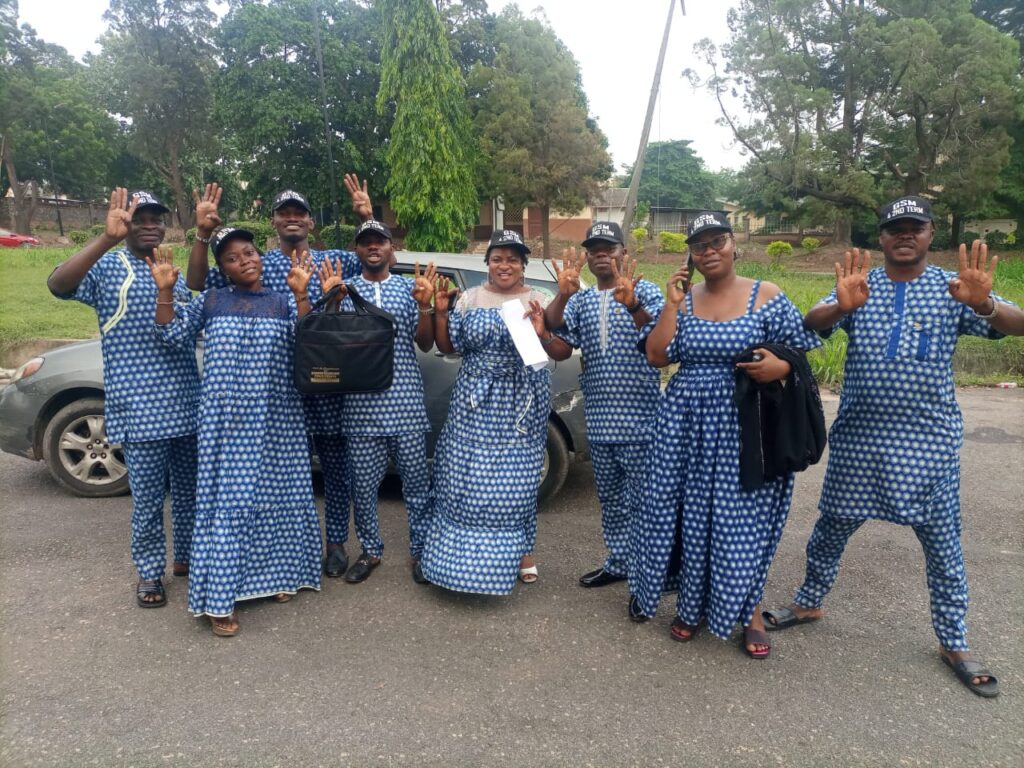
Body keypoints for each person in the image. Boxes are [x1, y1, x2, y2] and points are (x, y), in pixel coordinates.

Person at [762, 196, 1024, 696]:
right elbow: (809, 324)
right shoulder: (861, 285)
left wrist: (984, 303)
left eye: (915, 228)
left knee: (943, 546)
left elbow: (1017, 324)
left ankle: (954, 641)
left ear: (929, 235)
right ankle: (809, 601)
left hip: (930, 443)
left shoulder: (954, 288)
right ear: (880, 237)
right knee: (831, 528)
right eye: (894, 228)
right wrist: (839, 304)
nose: (905, 235)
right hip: (860, 438)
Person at [629, 211, 821, 659]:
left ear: (735, 245)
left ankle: (750, 612)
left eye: (718, 242)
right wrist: (672, 305)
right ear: (691, 255)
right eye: (700, 246)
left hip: (746, 423)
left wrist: (783, 366)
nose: (709, 251)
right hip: (683, 423)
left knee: (741, 521)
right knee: (690, 516)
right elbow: (657, 357)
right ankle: (692, 607)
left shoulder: (766, 296)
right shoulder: (684, 298)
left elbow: (801, 352)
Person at [185, 177, 373, 580]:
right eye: (284, 213)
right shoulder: (254, 260)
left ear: (310, 221)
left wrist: (367, 216)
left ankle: (335, 543)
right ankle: (272, 559)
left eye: (299, 212)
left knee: (336, 465)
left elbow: (377, 258)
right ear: (273, 221)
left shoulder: (332, 259)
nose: (292, 219)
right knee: (276, 476)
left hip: (323, 380)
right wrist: (202, 235)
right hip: (271, 389)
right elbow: (199, 283)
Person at [151, 227, 329, 636]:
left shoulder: (283, 301)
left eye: (249, 252)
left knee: (279, 498)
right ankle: (220, 597)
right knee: (228, 507)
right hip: (226, 422)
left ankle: (278, 576)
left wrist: (302, 295)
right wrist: (164, 291)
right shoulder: (211, 301)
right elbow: (171, 334)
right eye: (232, 258)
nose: (245, 260)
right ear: (223, 270)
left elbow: (311, 342)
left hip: (278, 417)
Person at [47, 188, 199, 609]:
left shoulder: (172, 270)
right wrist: (105, 240)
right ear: (126, 223)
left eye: (156, 218)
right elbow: (58, 285)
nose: (150, 225)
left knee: (189, 493)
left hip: (187, 405)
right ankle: (150, 572)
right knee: (148, 499)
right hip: (140, 409)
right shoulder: (108, 268)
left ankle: (185, 559)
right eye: (141, 218)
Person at [419, 230, 573, 595]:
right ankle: (450, 558)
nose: (505, 265)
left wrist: (562, 299)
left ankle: (519, 553)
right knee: (461, 479)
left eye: (513, 259)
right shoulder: (469, 299)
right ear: (487, 263)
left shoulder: (540, 298)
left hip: (521, 400)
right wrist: (440, 312)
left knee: (516, 484)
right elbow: (447, 345)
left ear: (523, 265)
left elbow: (557, 342)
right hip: (473, 401)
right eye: (498, 258)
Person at [544, 222, 664, 587]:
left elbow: (663, 343)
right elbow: (560, 338)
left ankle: (648, 574)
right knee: (611, 501)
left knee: (645, 503)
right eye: (593, 250)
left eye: (608, 248)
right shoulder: (580, 300)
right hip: (598, 421)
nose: (600, 255)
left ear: (623, 254)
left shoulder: (647, 290)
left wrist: (634, 306)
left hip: (641, 421)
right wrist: (562, 297)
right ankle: (619, 562)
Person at [333, 220, 437, 584]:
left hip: (406, 407)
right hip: (360, 411)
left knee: (417, 487)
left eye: (380, 241)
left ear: (391, 248)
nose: (373, 247)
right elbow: (329, 347)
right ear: (357, 250)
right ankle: (371, 551)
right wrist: (330, 302)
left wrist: (425, 308)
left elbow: (425, 344)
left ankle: (421, 552)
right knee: (362, 489)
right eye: (365, 242)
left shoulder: (410, 289)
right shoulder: (345, 291)